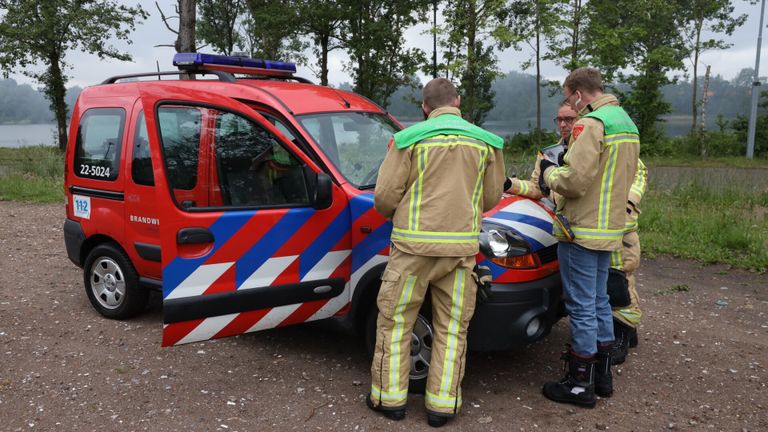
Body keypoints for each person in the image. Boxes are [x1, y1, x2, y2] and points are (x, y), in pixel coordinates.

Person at [369, 78, 505, 427]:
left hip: (412, 251)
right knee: (452, 328)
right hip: (460, 253)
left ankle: (389, 401)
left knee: (396, 323)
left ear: (424, 108)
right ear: (458, 102)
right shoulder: (487, 143)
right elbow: (490, 199)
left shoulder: (407, 140)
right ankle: (442, 407)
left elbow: (384, 198)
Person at [503, 105, 648, 366]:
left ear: (581, 118)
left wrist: (627, 205)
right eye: (559, 119)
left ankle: (624, 332)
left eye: (569, 119)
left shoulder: (604, 139)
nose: (563, 124)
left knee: (617, 280)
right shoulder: (550, 152)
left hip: (616, 225)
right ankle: (599, 352)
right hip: (576, 228)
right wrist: (509, 184)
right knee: (590, 291)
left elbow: (636, 172)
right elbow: (540, 187)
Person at [538, 67, 640, 408]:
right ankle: (603, 377)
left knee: (581, 306)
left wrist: (547, 172)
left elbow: (574, 181)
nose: (570, 105)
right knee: (598, 301)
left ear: (579, 94)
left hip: (581, 229)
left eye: (569, 98)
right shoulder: (625, 122)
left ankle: (580, 383)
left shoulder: (591, 124)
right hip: (610, 228)